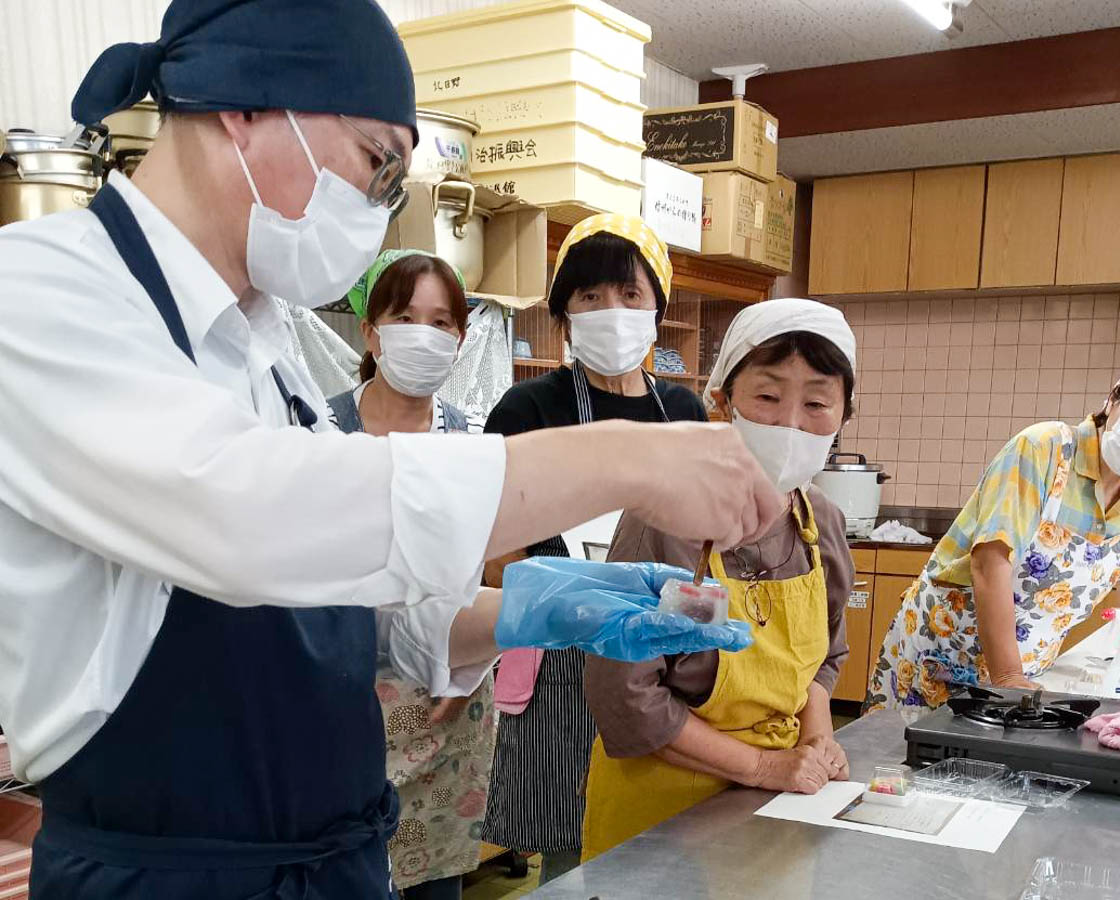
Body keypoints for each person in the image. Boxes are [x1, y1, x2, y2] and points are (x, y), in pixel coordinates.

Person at [0, 3, 783, 898]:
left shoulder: (260, 345)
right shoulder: (41, 291)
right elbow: (248, 518)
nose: (377, 209)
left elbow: (329, 609)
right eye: (377, 165)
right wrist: (624, 457)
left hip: (332, 859)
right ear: (247, 105)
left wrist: (533, 609)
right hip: (173, 875)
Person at [581, 299, 858, 861]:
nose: (790, 423)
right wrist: (763, 765)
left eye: (817, 403)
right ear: (724, 399)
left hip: (777, 807)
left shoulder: (820, 524)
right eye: (767, 395)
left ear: (845, 414)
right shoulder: (667, 516)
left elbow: (824, 657)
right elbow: (625, 694)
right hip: (662, 809)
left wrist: (816, 737)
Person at [481, 214, 708, 884]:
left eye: (630, 295)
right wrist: (568, 609)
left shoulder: (684, 414)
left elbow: (701, 541)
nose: (612, 311)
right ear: (563, 319)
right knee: (571, 849)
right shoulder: (527, 408)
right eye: (590, 297)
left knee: (668, 835)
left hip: (666, 655)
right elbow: (498, 548)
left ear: (657, 311)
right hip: (564, 658)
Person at [865, 330, 1120, 712]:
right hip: (939, 657)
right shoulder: (1046, 449)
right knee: (900, 764)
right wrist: (1007, 677)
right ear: (1117, 396)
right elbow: (990, 562)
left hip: (1024, 677)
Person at [328, 249, 488, 900]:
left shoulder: (472, 437)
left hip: (446, 697)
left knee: (434, 886)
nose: (424, 334)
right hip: (340, 691)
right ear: (370, 332)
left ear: (460, 339)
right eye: (405, 316)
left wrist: (467, 668)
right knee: (344, 873)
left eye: (442, 321)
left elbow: (482, 563)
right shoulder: (318, 428)